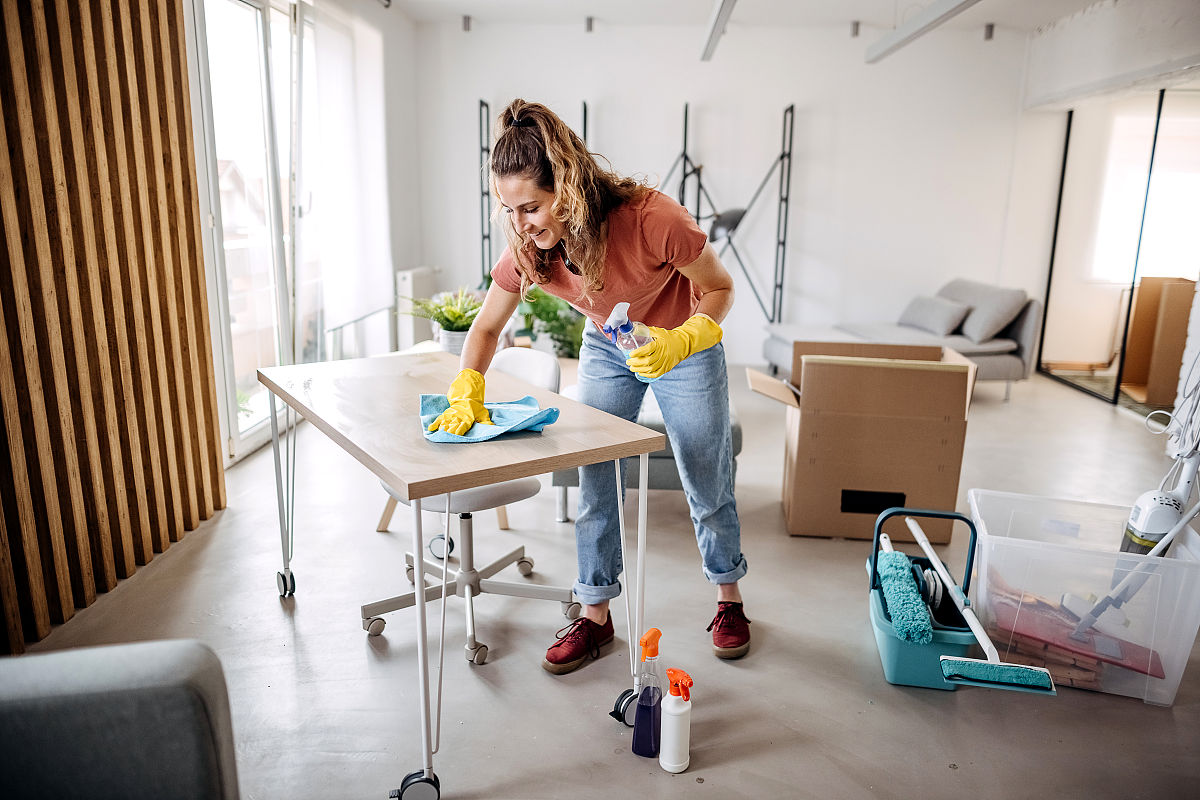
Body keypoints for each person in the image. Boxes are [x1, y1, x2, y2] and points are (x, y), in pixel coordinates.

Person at [428, 99, 749, 674]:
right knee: (595, 473)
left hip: (683, 342)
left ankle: (729, 597)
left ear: (568, 188)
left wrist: (683, 340)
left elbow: (721, 288)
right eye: (509, 210)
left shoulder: (653, 219)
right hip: (609, 343)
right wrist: (467, 385)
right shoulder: (530, 248)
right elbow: (486, 328)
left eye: (531, 207)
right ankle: (595, 613)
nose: (521, 224)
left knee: (705, 470)